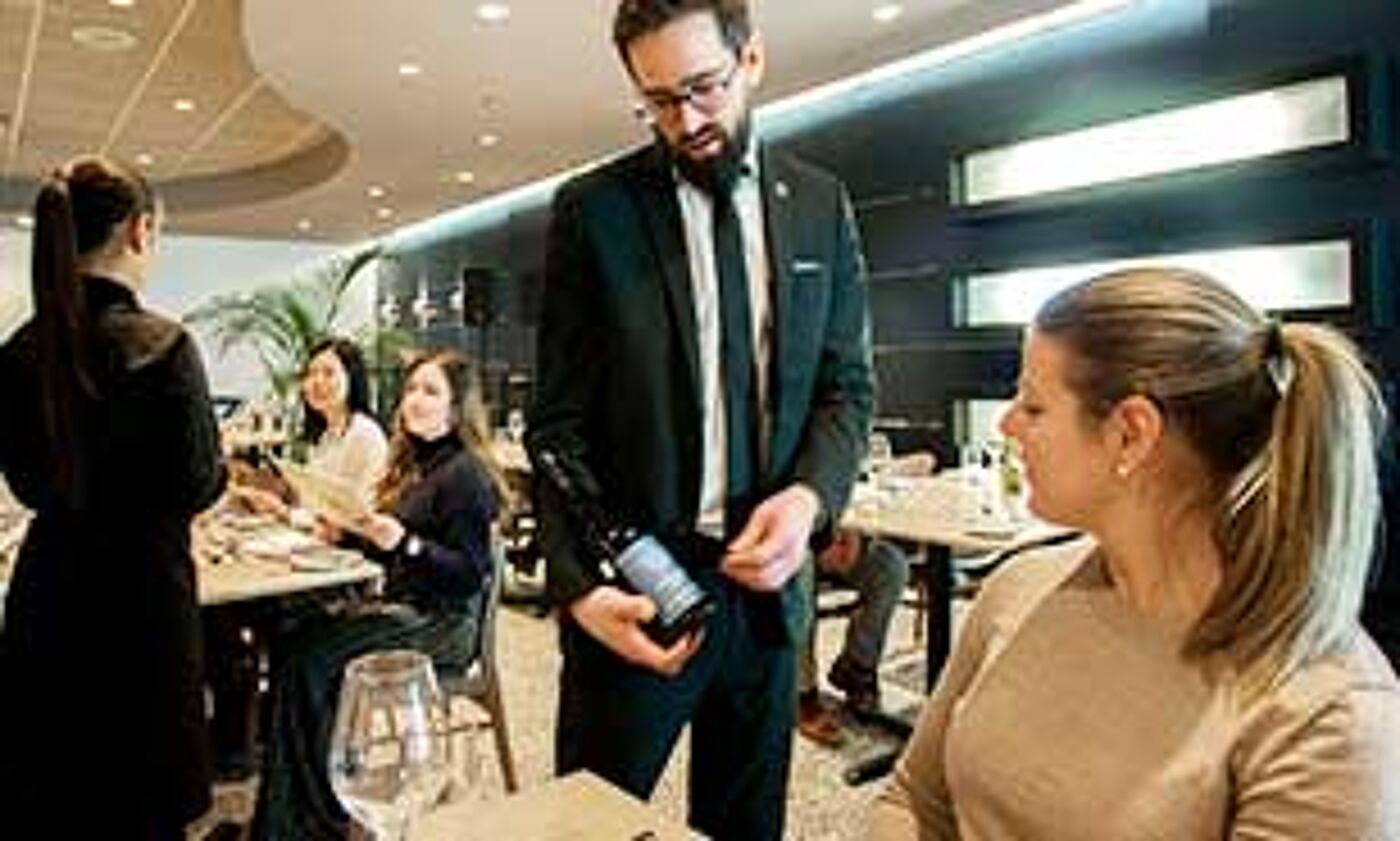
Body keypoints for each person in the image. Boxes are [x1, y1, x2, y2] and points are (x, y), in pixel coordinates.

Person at [873, 267, 1400, 838]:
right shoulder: (1019, 587)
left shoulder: (1328, 716)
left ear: (1131, 434)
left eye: (1032, 406)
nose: (1007, 424)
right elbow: (915, 800)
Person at [526, 1, 873, 837]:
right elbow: (555, 426)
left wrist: (808, 502)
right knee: (593, 824)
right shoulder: (594, 211)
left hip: (765, 596)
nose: (685, 119)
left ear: (752, 59)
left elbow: (847, 387)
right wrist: (576, 588)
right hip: (637, 588)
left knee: (746, 825)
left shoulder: (820, 204)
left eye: (704, 88)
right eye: (659, 100)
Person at [0, 156, 227, 836]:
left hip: (47, 598)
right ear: (138, 230)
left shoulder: (17, 353)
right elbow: (198, 482)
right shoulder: (163, 347)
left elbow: (25, 482)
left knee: (55, 802)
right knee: (140, 807)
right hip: (142, 610)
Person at [251, 350, 508, 840]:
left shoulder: (465, 475)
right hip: (410, 607)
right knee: (295, 639)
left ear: (457, 407)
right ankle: (302, 816)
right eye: (411, 389)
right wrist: (347, 532)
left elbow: (468, 575)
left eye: (430, 391)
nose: (414, 399)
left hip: (445, 624)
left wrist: (405, 544)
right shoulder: (420, 466)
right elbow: (390, 544)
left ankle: (304, 825)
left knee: (310, 657)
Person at [230, 336, 388, 531]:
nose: (316, 382)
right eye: (311, 374)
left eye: (328, 373)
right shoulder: (326, 435)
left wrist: (283, 512)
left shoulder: (364, 435)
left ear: (352, 378)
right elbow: (316, 508)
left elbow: (356, 519)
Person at [797, 530, 910, 746]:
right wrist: (820, 539)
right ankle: (802, 692)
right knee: (799, 572)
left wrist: (854, 536)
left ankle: (855, 669)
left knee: (890, 565)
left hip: (845, 530)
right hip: (791, 538)